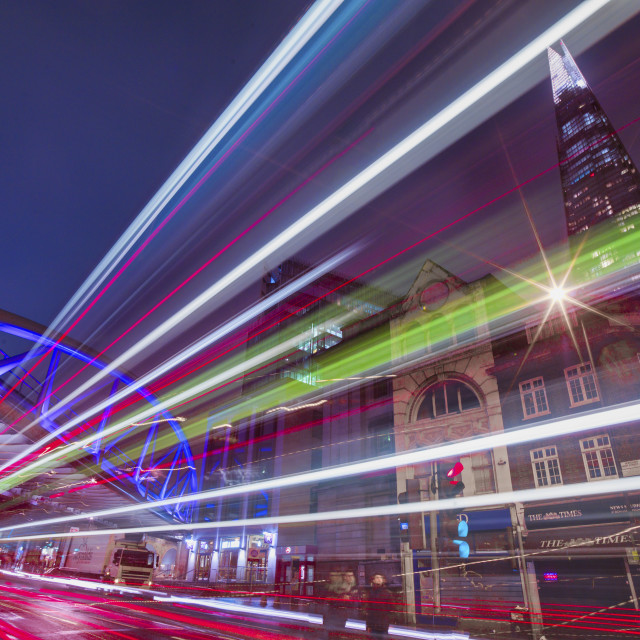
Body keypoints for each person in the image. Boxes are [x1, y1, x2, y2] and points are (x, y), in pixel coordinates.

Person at [364, 573, 395, 638]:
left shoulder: (387, 593)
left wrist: (390, 622)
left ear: (383, 580)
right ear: (373, 580)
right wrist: (368, 625)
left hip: (384, 624)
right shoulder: (370, 593)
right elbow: (368, 610)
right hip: (373, 624)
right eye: (377, 577)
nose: (379, 579)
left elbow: (391, 609)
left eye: (380, 578)